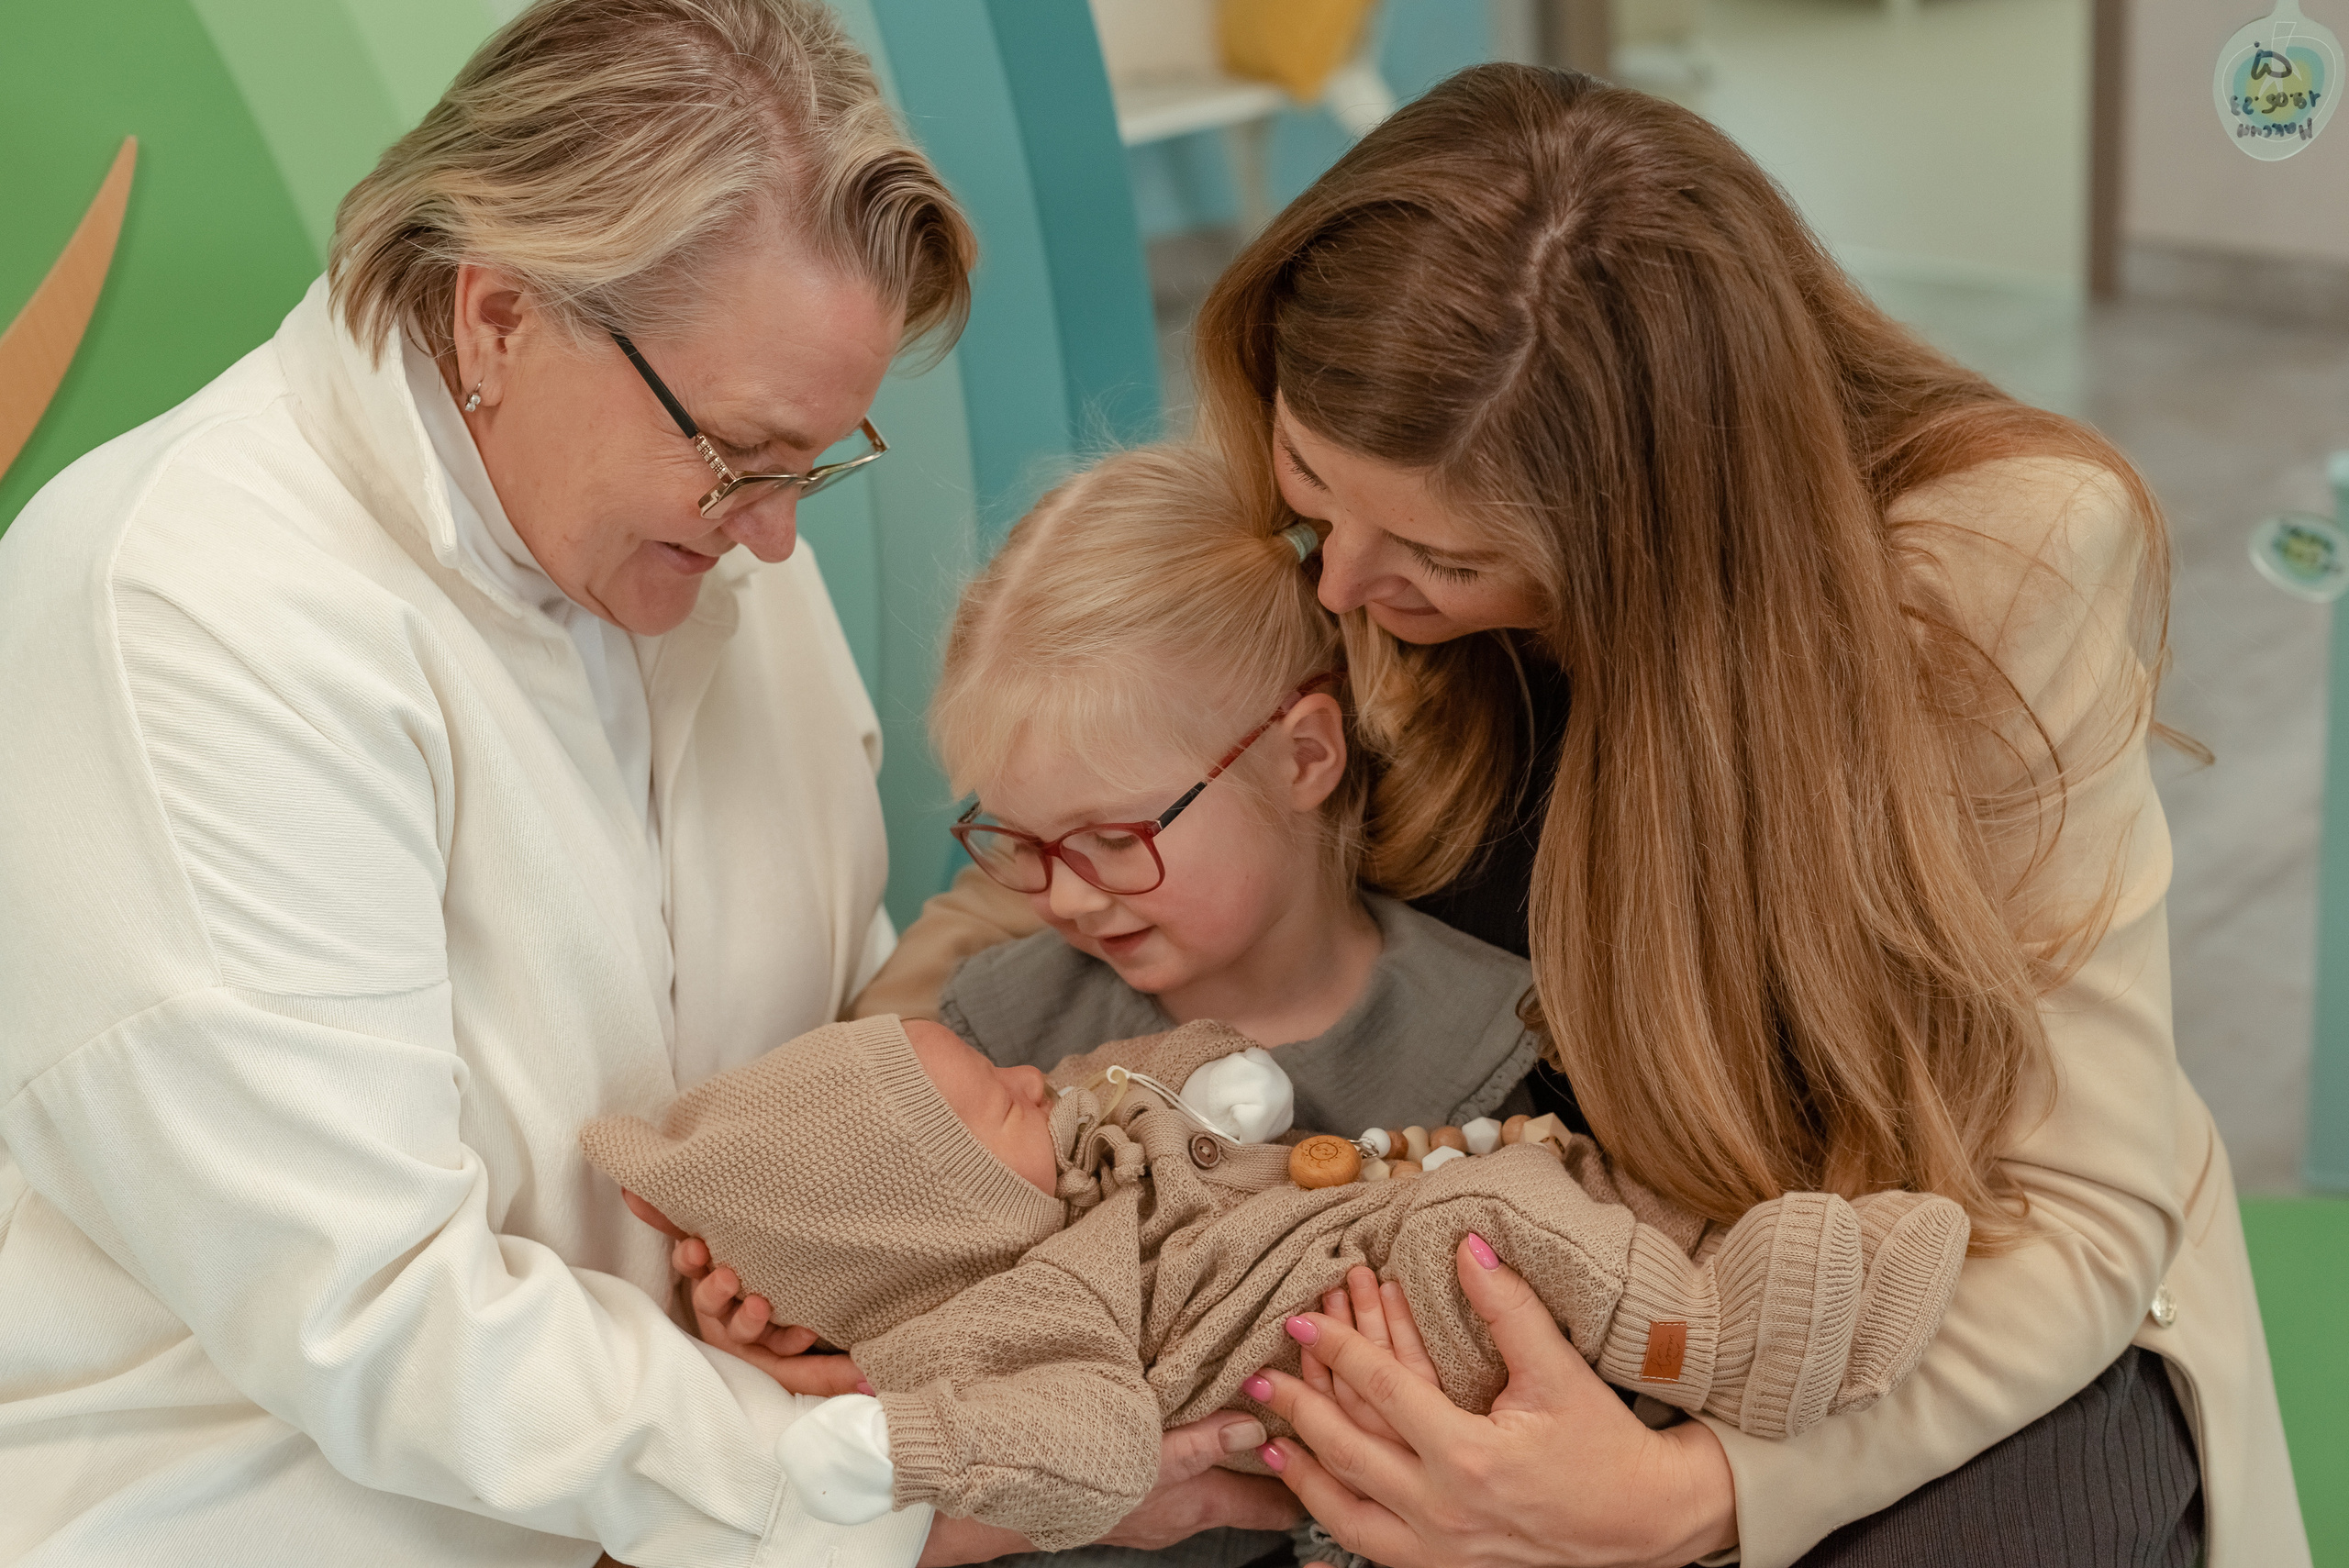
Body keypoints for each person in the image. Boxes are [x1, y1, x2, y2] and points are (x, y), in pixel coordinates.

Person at [728, 63, 2304, 1568]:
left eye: (1441, 561)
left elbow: (2086, 1214)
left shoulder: (1993, 572)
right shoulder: (1365, 473)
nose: (1338, 588)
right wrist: (840, 1178)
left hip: (1904, 1314)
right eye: (1307, 497)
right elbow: (1085, 817)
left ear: (1646, 529)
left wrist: (1684, 1494)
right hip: (1505, 1278)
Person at [0, 3, 1286, 1563]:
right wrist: (922, 1489)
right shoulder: (183, 610)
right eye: (744, 457)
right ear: (495, 318)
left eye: (815, 463)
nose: (775, 538)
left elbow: (824, 1060)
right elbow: (375, 1316)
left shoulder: (704, 524)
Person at [585, 1014, 1971, 1551]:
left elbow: (1147, 1084)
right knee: (1490, 1222)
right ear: (939, 1216)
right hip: (1356, 1347)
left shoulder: (1072, 1170)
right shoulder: (1031, 1304)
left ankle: (1788, 1270)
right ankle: (1732, 1340)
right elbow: (1094, 1447)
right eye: (996, 1105)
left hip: (1339, 1239)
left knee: (1583, 1174)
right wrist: (909, 1441)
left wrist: (1177, 1077)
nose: (1031, 1076)